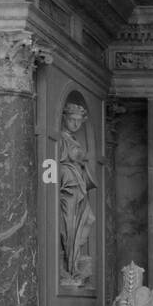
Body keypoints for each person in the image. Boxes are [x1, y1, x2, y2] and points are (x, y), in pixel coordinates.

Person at [58, 101, 96, 284]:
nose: (75, 124)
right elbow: (67, 158)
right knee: (70, 226)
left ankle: (74, 261)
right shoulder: (60, 138)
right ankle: (71, 266)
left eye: (79, 121)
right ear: (64, 117)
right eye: (72, 119)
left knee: (89, 219)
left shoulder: (71, 138)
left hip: (78, 184)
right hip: (69, 185)